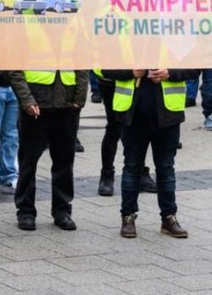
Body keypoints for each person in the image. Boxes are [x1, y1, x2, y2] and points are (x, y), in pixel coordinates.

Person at [102, 68, 199, 238]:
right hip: (133, 115)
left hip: (167, 115)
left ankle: (169, 218)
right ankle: (128, 217)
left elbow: (194, 69)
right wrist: (131, 72)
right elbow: (106, 69)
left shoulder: (175, 40)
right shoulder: (124, 40)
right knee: (132, 167)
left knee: (166, 169)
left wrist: (169, 74)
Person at [12, 68, 88, 231]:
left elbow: (82, 66)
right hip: (35, 106)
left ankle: (62, 211)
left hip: (67, 106)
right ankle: (26, 212)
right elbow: (15, 71)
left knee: (64, 163)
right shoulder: (27, 40)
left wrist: (79, 99)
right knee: (28, 162)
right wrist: (27, 101)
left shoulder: (72, 40)